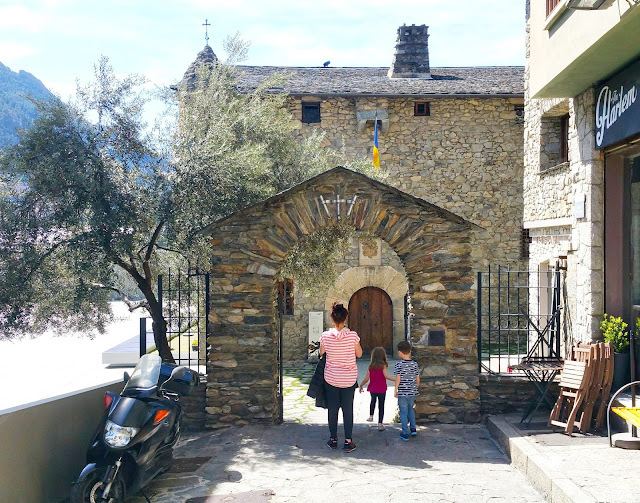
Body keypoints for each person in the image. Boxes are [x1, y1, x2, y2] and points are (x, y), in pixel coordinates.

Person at [320, 302, 363, 452]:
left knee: (332, 409)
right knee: (347, 409)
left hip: (331, 378)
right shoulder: (353, 336)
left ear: (332, 318)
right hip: (348, 379)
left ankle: (333, 439)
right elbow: (359, 354)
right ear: (345, 318)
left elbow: (321, 352)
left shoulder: (325, 336)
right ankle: (348, 441)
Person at [359, 346, 395, 431]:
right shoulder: (383, 366)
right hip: (382, 388)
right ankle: (380, 423)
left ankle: (371, 416)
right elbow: (386, 376)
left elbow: (366, 378)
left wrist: (361, 385)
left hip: (373, 388)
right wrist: (395, 379)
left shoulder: (370, 366)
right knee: (381, 405)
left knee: (373, 401)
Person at [394, 340, 420, 441]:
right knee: (410, 409)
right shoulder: (415, 364)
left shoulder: (399, 364)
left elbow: (398, 378)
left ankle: (405, 432)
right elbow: (417, 378)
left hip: (403, 392)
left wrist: (395, 390)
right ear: (409, 351)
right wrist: (416, 387)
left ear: (400, 353)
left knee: (403, 412)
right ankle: (413, 429)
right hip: (412, 392)